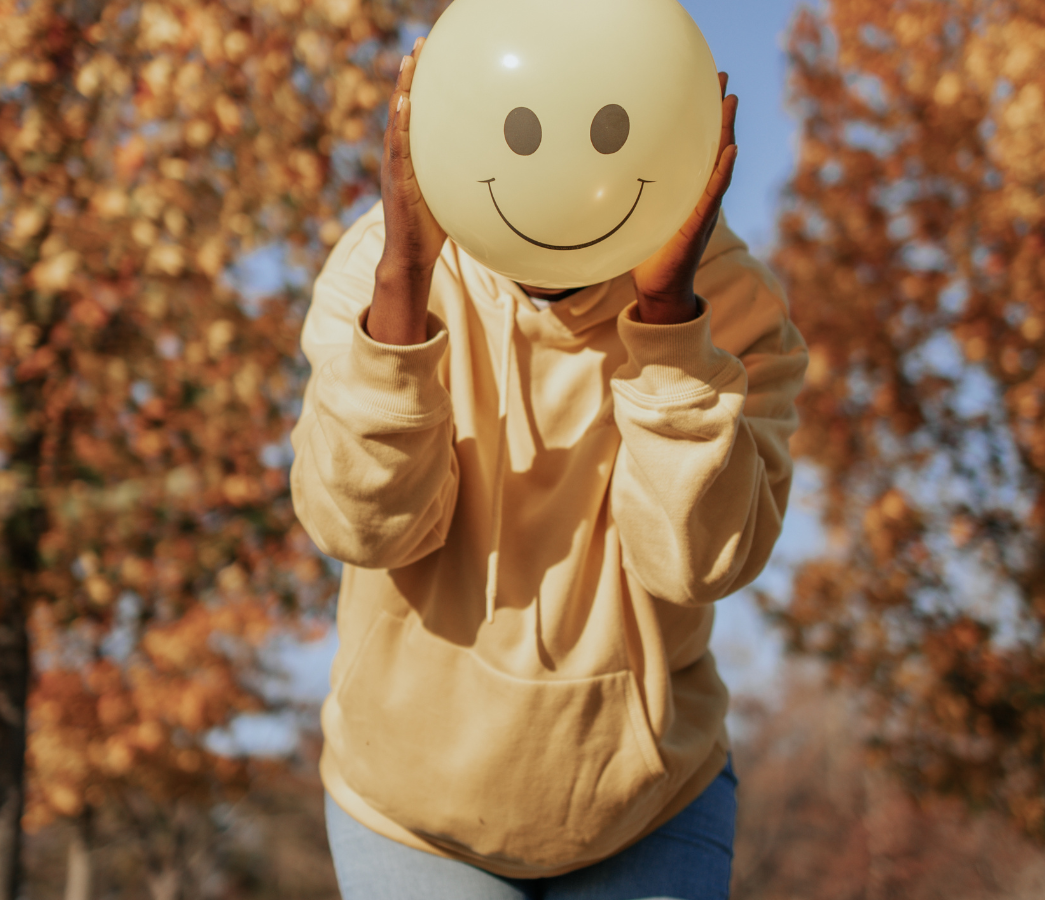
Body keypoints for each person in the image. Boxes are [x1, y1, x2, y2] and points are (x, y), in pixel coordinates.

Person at [290, 37, 807, 900]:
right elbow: (359, 526)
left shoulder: (737, 305)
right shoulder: (380, 270)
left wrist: (670, 321)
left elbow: (699, 562)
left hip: (649, 807)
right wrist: (405, 287)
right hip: (411, 814)